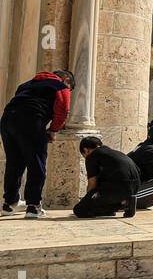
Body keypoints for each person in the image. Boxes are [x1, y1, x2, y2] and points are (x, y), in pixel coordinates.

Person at [2, 69, 74, 218]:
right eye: (71, 87)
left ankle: (10, 204)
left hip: (7, 120)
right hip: (31, 120)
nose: (69, 90)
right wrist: (53, 130)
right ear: (66, 79)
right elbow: (63, 110)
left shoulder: (25, 85)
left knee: (14, 162)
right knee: (36, 163)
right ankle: (33, 206)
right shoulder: (60, 86)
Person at [73, 136, 140, 218]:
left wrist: (87, 200)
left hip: (118, 188)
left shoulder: (92, 156)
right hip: (135, 187)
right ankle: (125, 202)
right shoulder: (114, 153)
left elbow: (92, 183)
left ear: (86, 150)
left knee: (79, 210)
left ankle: (121, 204)